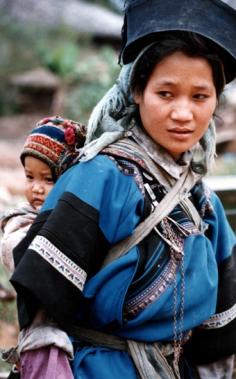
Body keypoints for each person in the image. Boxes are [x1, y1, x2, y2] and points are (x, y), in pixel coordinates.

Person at [6, 0, 236, 378]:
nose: (183, 113)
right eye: (166, 94)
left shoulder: (203, 202)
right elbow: (43, 299)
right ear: (136, 92)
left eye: (199, 96)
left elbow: (220, 332)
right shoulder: (100, 177)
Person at [0, 115, 86, 378]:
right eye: (30, 177)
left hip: (80, 338)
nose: (36, 188)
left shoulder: (80, 221)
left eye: (49, 180)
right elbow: (21, 257)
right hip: (42, 340)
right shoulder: (19, 221)